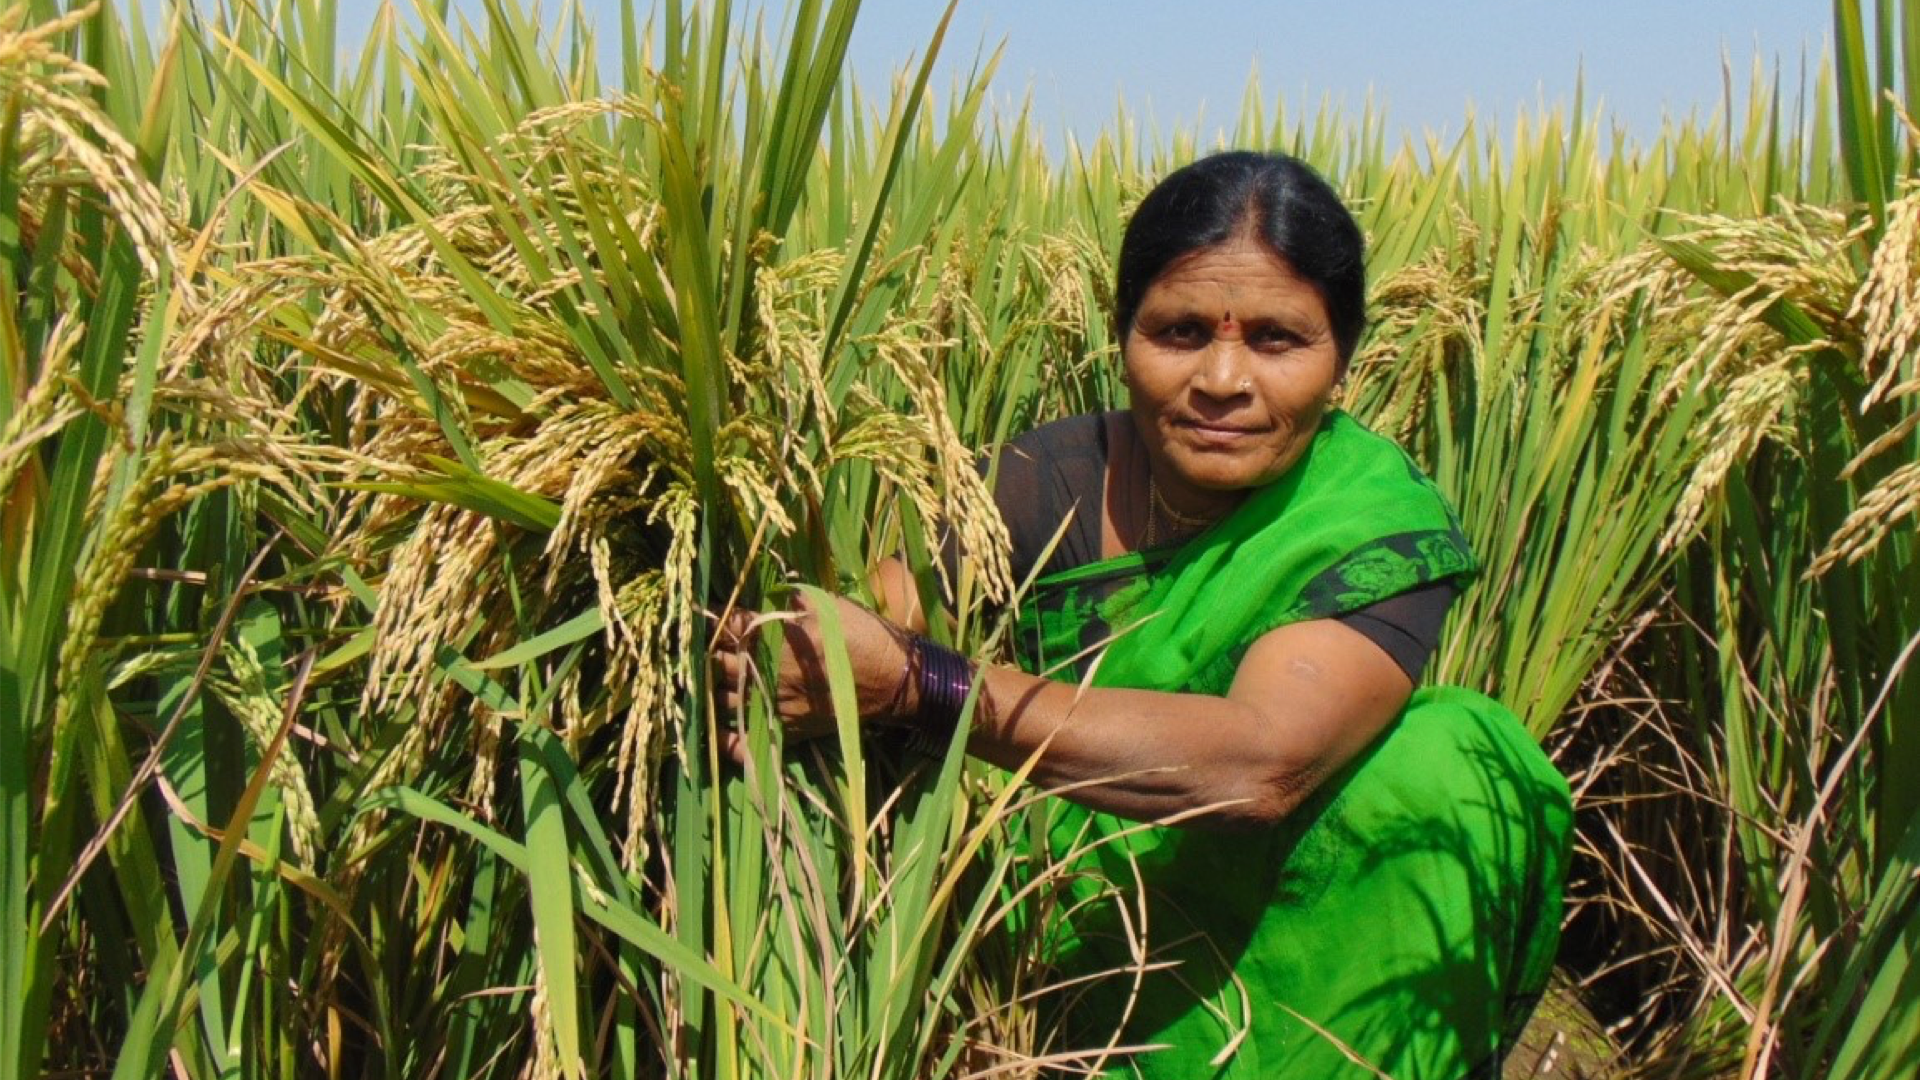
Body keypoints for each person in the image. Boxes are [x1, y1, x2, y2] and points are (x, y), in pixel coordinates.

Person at [712, 151, 1572, 1078]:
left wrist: (921, 683)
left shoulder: (1371, 520)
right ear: (1122, 337)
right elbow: (871, 612)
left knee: (1443, 760)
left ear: (1344, 359)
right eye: (1180, 331)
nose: (1224, 378)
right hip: (1060, 932)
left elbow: (1259, 764)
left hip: (1263, 907)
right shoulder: (1045, 479)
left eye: (1278, 339)